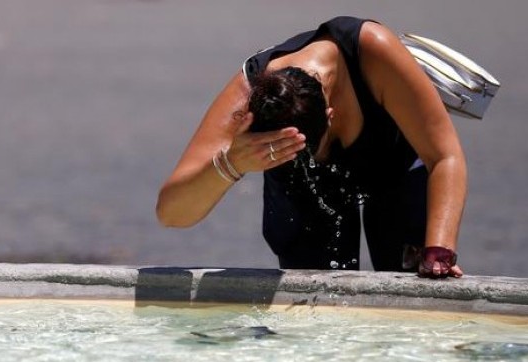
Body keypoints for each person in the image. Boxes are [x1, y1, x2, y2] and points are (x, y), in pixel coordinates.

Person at [156, 16, 466, 278]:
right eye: (285, 154)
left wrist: (439, 249)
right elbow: (171, 213)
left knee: (416, 283)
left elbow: (445, 156)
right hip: (302, 195)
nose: (314, 163)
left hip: (393, 166)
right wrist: (230, 164)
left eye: (312, 152)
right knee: (314, 310)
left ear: (331, 116)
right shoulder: (244, 98)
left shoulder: (373, 51)